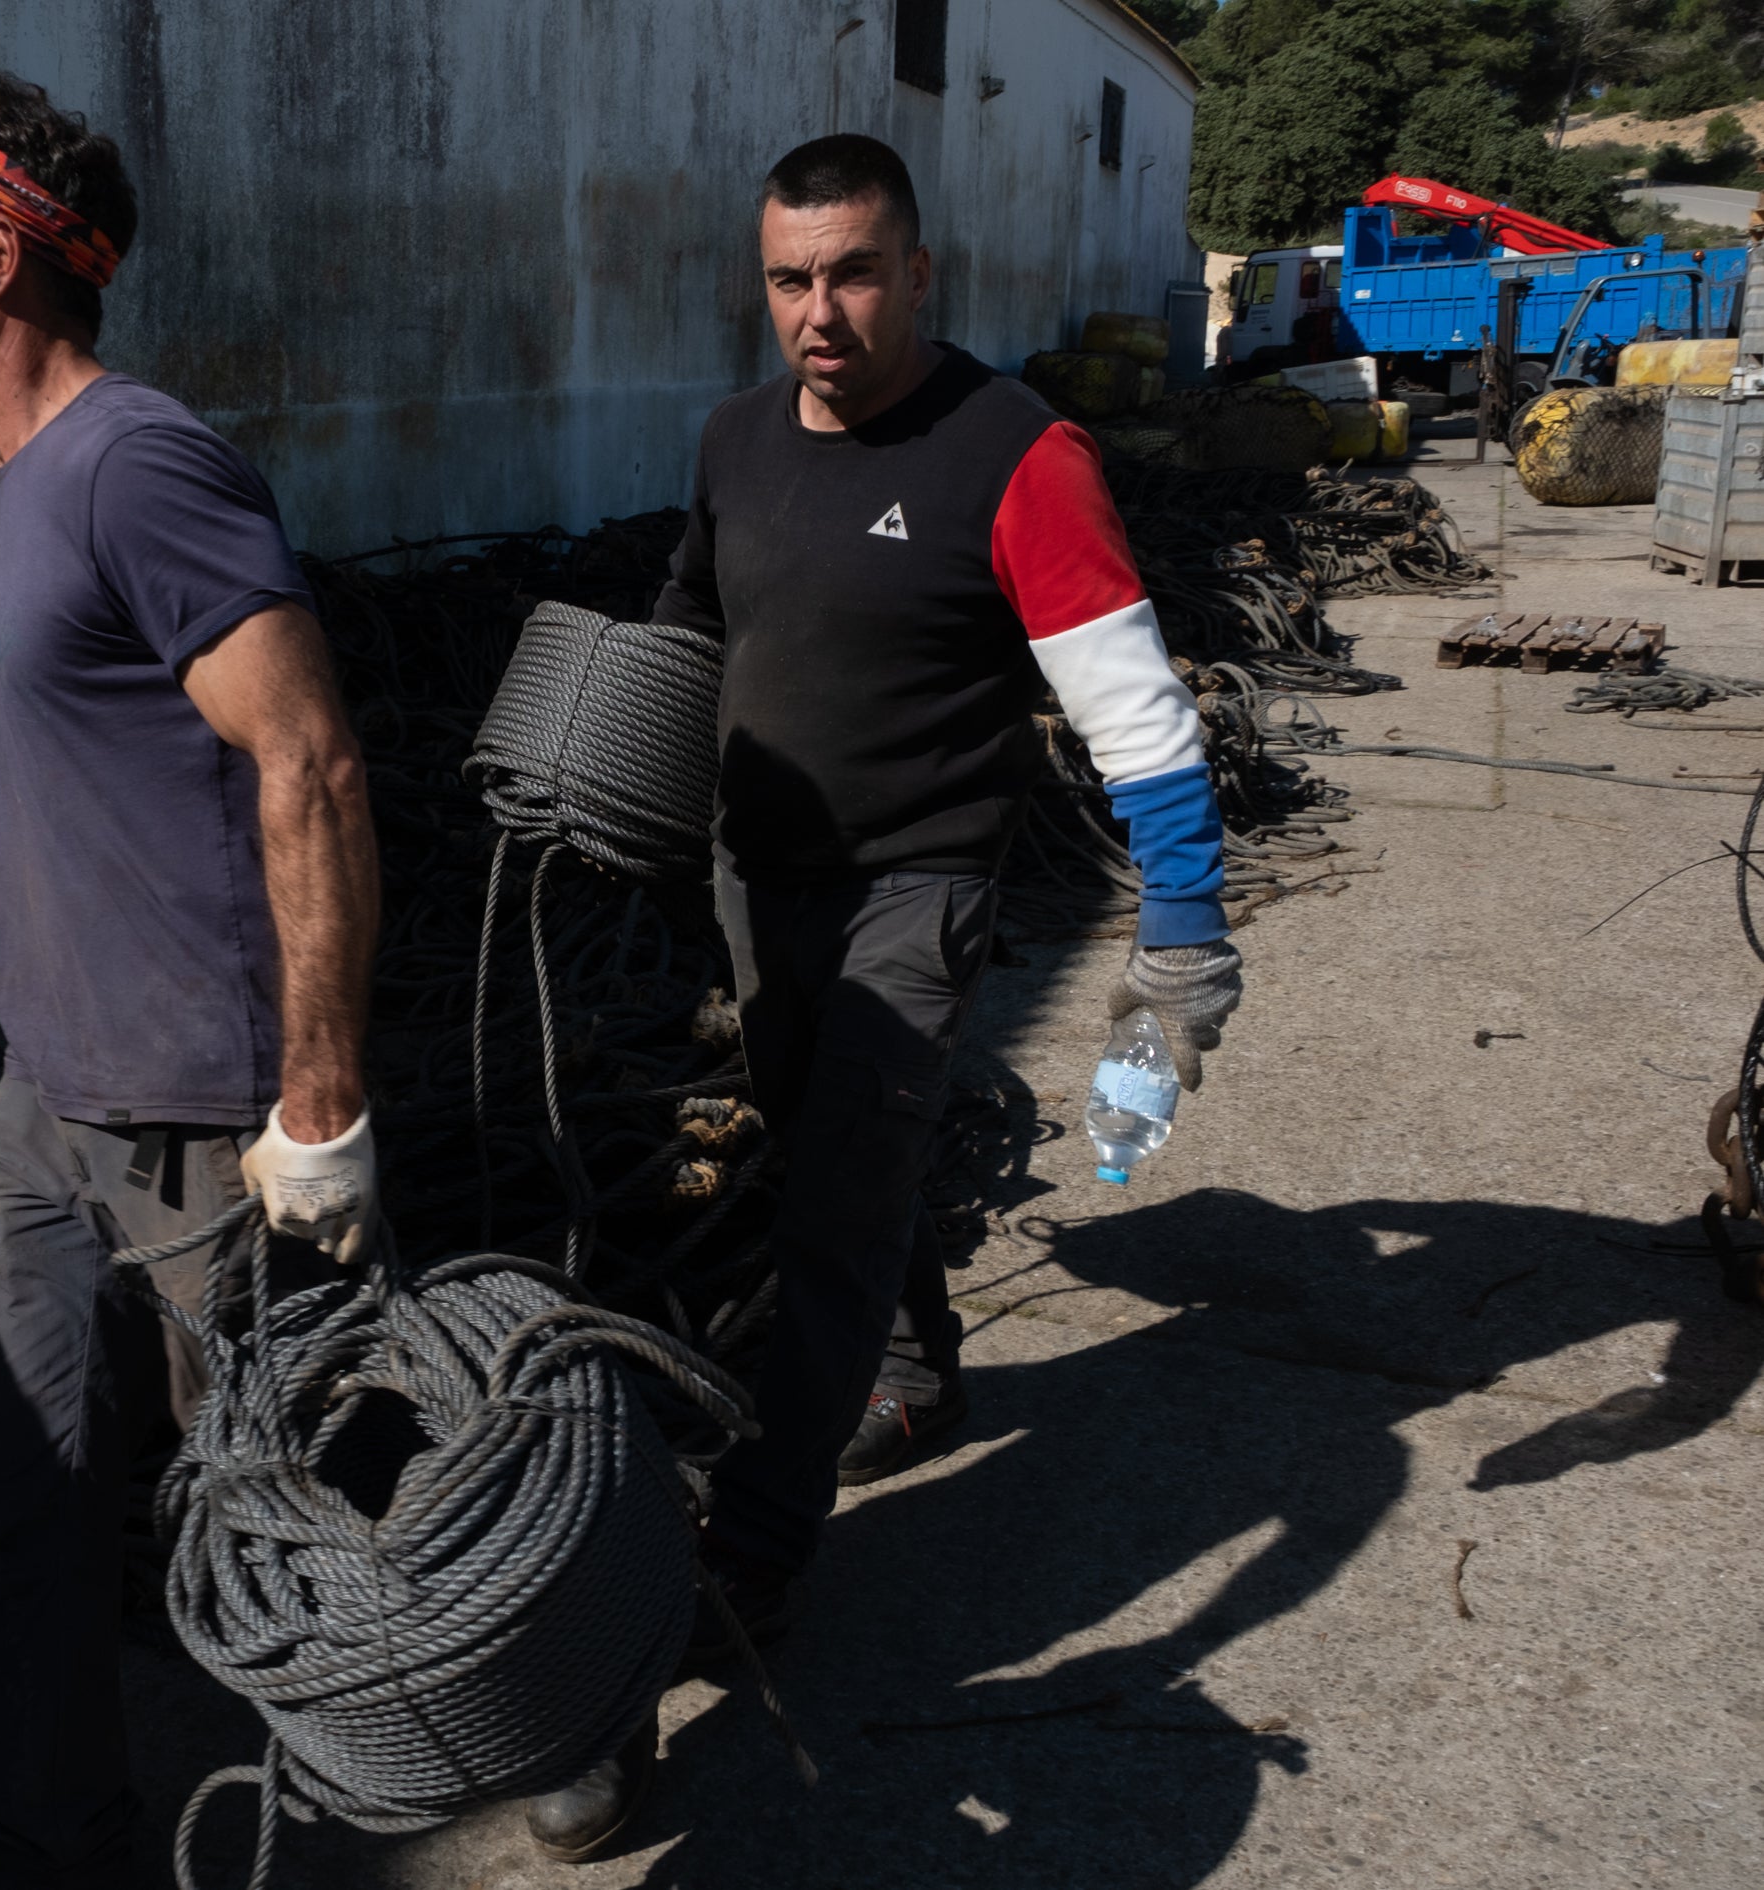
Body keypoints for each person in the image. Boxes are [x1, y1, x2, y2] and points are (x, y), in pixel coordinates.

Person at [0, 72, 383, 1890]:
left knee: (307, 1501)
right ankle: (51, 1843)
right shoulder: (21, 482)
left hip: (192, 1121)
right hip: (45, 1099)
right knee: (35, 1507)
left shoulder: (134, 462)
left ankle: (549, 1696)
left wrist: (320, 1106)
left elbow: (306, 758)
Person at [650, 128, 1243, 1678]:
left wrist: (1182, 921)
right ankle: (916, 1366)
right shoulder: (732, 443)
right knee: (817, 1143)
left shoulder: (1015, 452)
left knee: (834, 1211)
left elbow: (1137, 710)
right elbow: (689, 625)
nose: (819, 312)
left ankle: (753, 1555)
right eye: (789, 278)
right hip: (757, 875)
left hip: (917, 885)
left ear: (919, 270)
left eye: (854, 273)